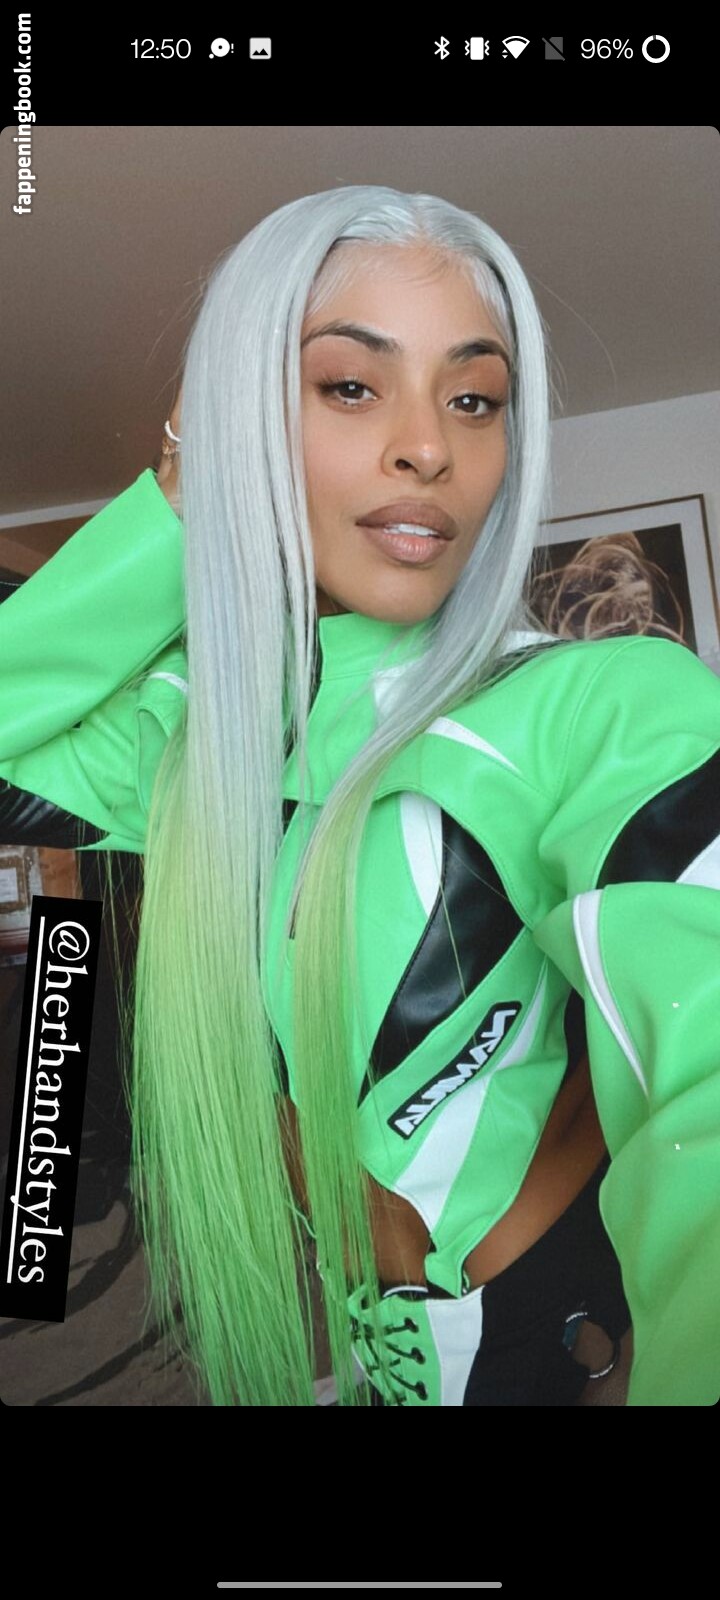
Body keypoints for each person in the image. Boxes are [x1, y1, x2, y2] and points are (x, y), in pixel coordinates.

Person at [1, 186, 719, 1407]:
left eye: (474, 398)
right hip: (366, 1340)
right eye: (349, 385)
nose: (428, 446)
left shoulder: (603, 706)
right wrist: (183, 496)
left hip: (559, 1330)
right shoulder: (198, 740)